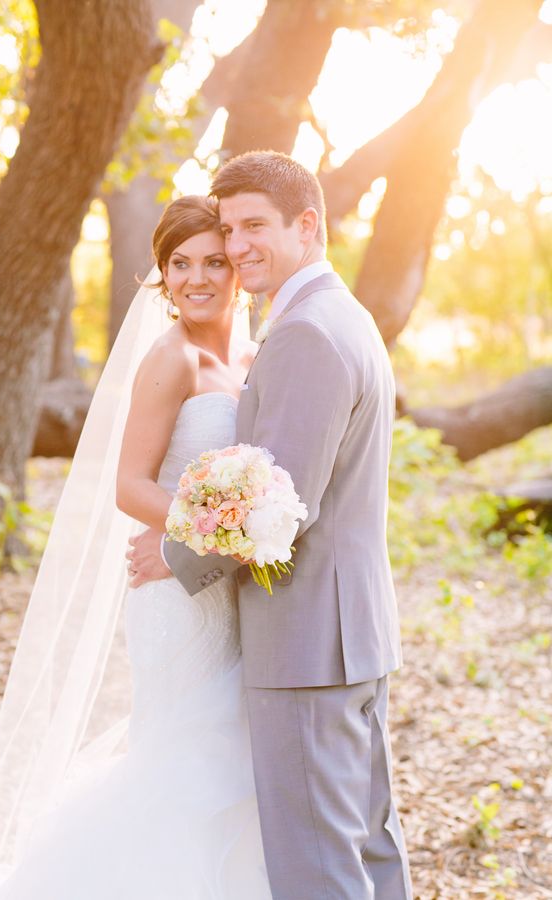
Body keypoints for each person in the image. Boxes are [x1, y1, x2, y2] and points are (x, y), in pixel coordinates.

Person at [0, 195, 271, 899]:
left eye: (213, 261)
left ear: (238, 268)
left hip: (238, 589)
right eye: (178, 264)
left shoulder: (257, 355)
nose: (197, 278)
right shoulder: (170, 359)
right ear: (160, 276)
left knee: (235, 752)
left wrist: (240, 537)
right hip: (175, 596)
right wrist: (218, 533)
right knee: (183, 754)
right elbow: (129, 486)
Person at [129, 152, 413, 899]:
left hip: (307, 638)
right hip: (347, 632)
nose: (240, 244)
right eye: (231, 228)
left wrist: (179, 554)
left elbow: (279, 508)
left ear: (307, 225)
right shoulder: (339, 315)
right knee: (365, 843)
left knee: (317, 863)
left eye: (255, 225)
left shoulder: (304, 334)